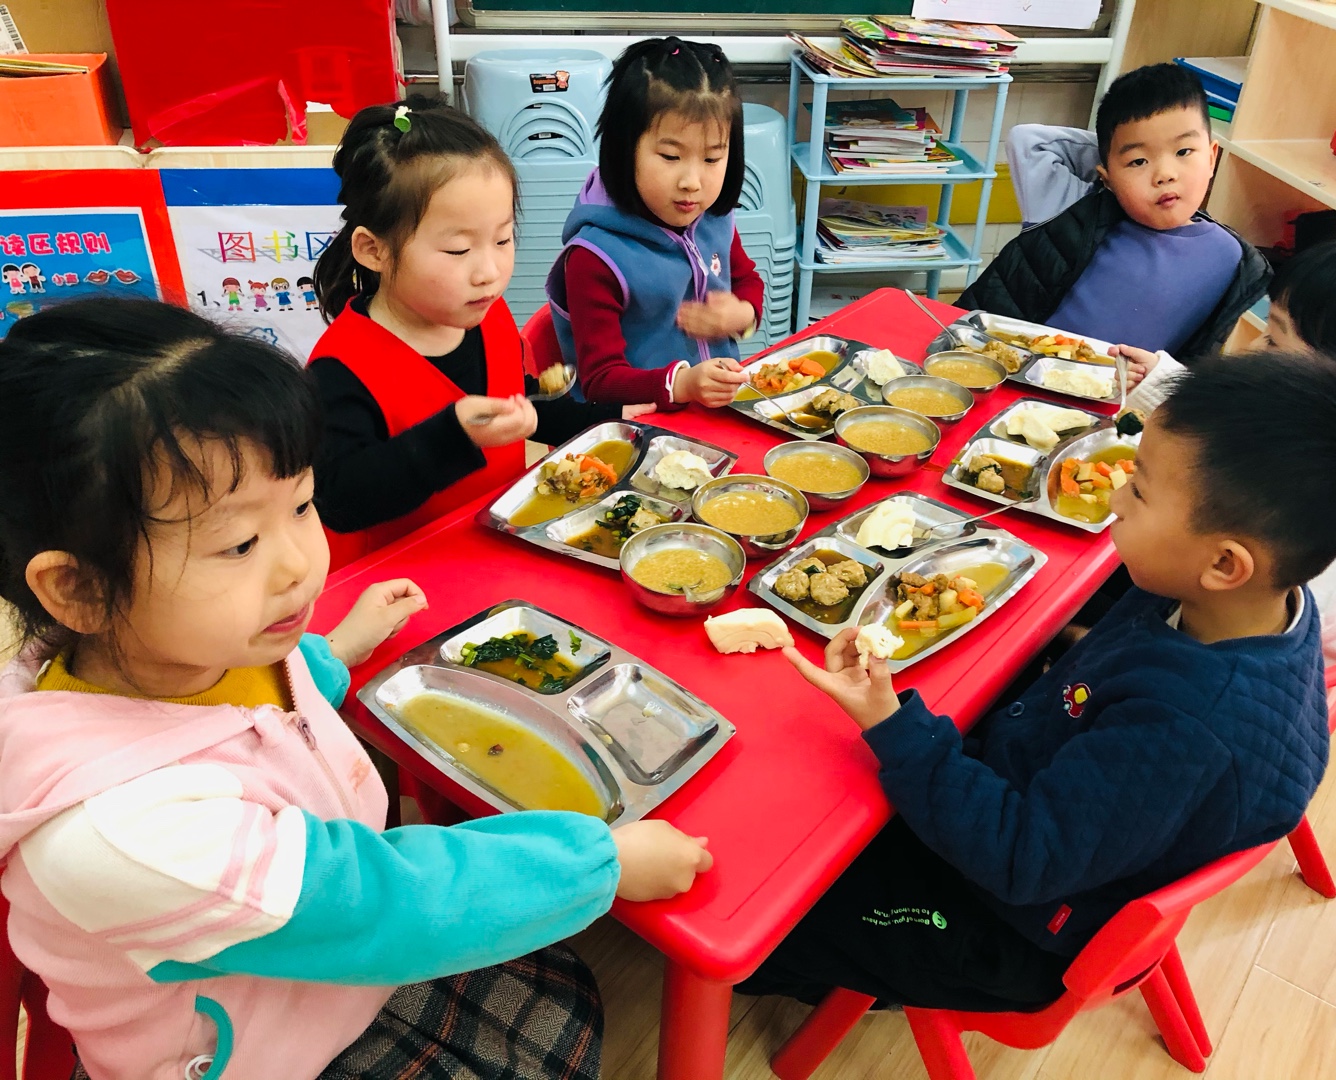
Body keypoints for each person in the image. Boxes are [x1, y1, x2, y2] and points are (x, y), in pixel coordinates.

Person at [0, 298, 713, 1080]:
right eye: (240, 542)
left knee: (556, 985)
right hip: (262, 1052)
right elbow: (383, 901)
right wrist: (603, 864)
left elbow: (251, 708)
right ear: (80, 589)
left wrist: (333, 652)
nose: (300, 563)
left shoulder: (175, 649)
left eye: (302, 504)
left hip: (320, 966)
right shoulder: (119, 833)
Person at [736, 352, 1336, 1011]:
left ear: (1225, 564)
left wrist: (891, 725)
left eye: (1139, 491)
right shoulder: (1247, 601)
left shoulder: (1184, 730)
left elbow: (1021, 858)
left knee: (760, 920)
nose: (1114, 497)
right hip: (1044, 797)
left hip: (1009, 925)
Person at [308, 96, 654, 569]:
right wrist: (452, 436)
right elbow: (340, 500)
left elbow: (520, 401)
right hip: (404, 581)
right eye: (458, 250)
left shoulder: (487, 315)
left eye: (503, 239)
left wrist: (609, 417)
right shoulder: (340, 369)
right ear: (374, 250)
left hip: (498, 549)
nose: (489, 272)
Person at [1121, 236, 1336, 663]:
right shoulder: (1334, 435)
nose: (1252, 349)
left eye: (1273, 340)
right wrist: (1164, 383)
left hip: (1209, 657)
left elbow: (1219, 635)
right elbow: (1251, 422)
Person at [960, 63, 1270, 360]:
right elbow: (1028, 141)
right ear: (1106, 177)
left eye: (1183, 151)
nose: (1165, 174)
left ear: (1212, 158)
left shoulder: (1231, 258)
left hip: (1121, 394)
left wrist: (1128, 159)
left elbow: (1193, 360)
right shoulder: (1073, 207)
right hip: (1017, 374)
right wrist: (1111, 162)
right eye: (1139, 161)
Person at [545, 36, 764, 409]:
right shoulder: (596, 257)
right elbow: (599, 381)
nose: (692, 182)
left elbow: (747, 281)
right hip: (640, 429)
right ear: (624, 148)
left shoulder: (713, 219)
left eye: (712, 159)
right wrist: (683, 385)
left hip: (714, 415)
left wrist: (742, 314)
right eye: (670, 156)